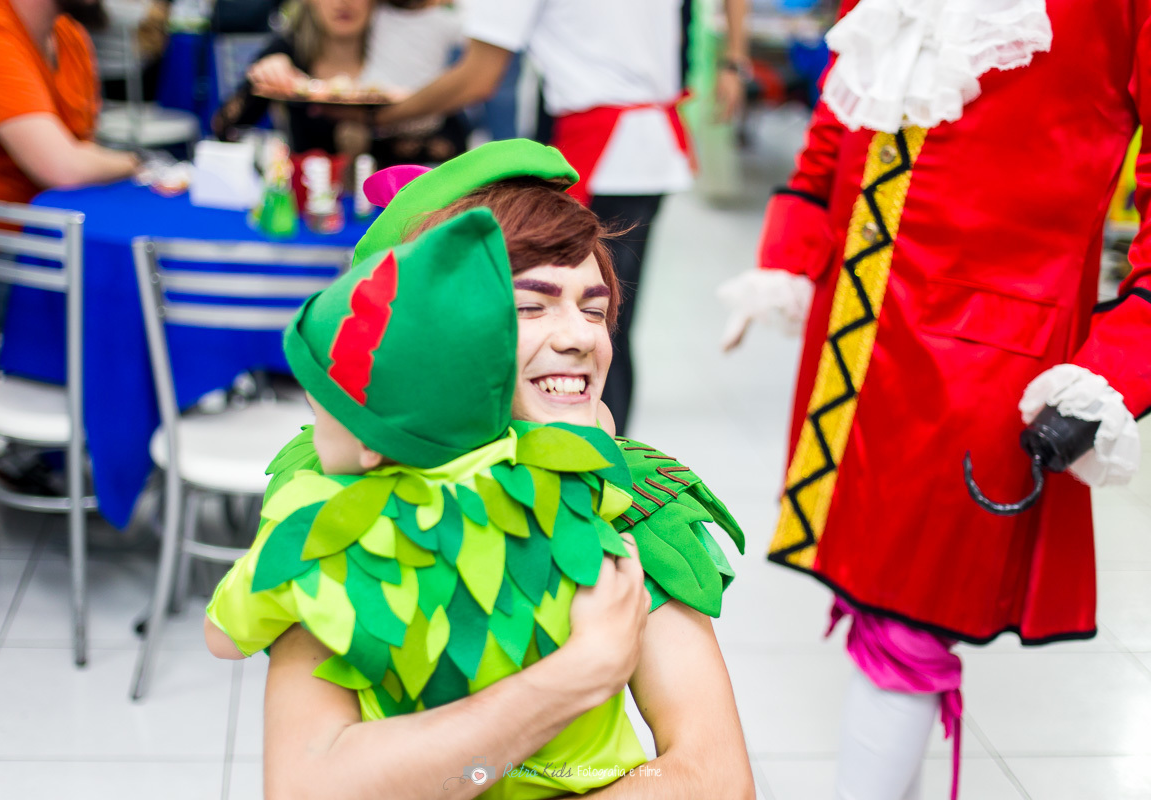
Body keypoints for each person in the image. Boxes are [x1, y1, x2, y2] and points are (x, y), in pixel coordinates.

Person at [231, 139, 755, 798]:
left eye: (594, 309)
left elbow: (713, 777)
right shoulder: (346, 493)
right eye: (531, 306)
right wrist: (575, 677)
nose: (580, 337)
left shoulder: (633, 496)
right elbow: (312, 786)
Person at [720, 1, 1149, 798]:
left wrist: (1121, 360)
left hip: (990, 363)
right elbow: (844, 107)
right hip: (854, 339)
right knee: (879, 609)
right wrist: (789, 255)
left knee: (903, 628)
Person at [359, 0, 749, 437]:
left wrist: (377, 117)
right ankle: (600, 464)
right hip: (643, 150)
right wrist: (734, 59)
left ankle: (596, 471)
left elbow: (479, 76)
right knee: (604, 329)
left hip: (603, 153)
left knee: (585, 332)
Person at [0, 0, 140, 330]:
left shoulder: (67, 35)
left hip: (55, 233)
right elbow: (63, 167)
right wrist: (135, 162)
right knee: (136, 302)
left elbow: (80, 156)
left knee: (146, 279)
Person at [212, 0, 467, 168]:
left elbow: (453, 143)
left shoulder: (399, 55)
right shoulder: (290, 51)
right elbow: (224, 127)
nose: (344, 2)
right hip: (309, 219)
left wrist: (370, 140)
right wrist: (261, 77)